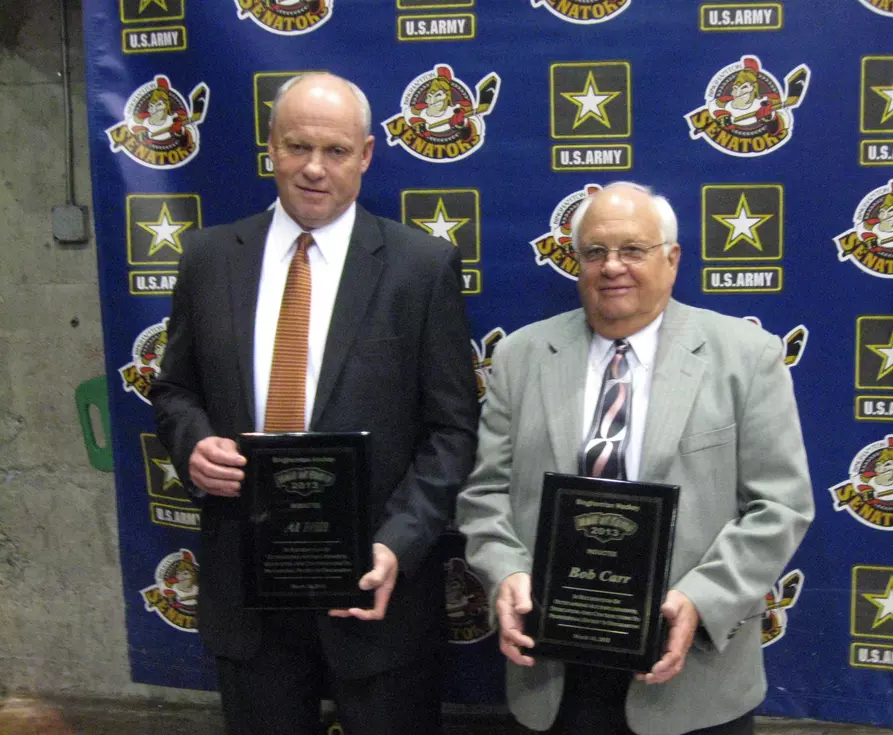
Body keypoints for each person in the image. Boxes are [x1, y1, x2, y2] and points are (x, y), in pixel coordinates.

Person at [151, 72, 479, 735]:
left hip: (375, 587)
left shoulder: (421, 267)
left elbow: (451, 430)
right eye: (298, 146)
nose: (313, 168)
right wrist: (193, 443)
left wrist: (398, 544)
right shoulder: (208, 258)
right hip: (249, 587)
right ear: (271, 145)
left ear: (365, 155)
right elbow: (174, 389)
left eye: (335, 151)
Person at [455, 182, 814, 735]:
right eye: (595, 252)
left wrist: (700, 600)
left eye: (633, 250)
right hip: (553, 672)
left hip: (692, 674)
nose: (611, 267)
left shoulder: (747, 358)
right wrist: (505, 575)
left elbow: (781, 506)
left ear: (671, 260)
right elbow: (485, 496)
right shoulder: (521, 357)